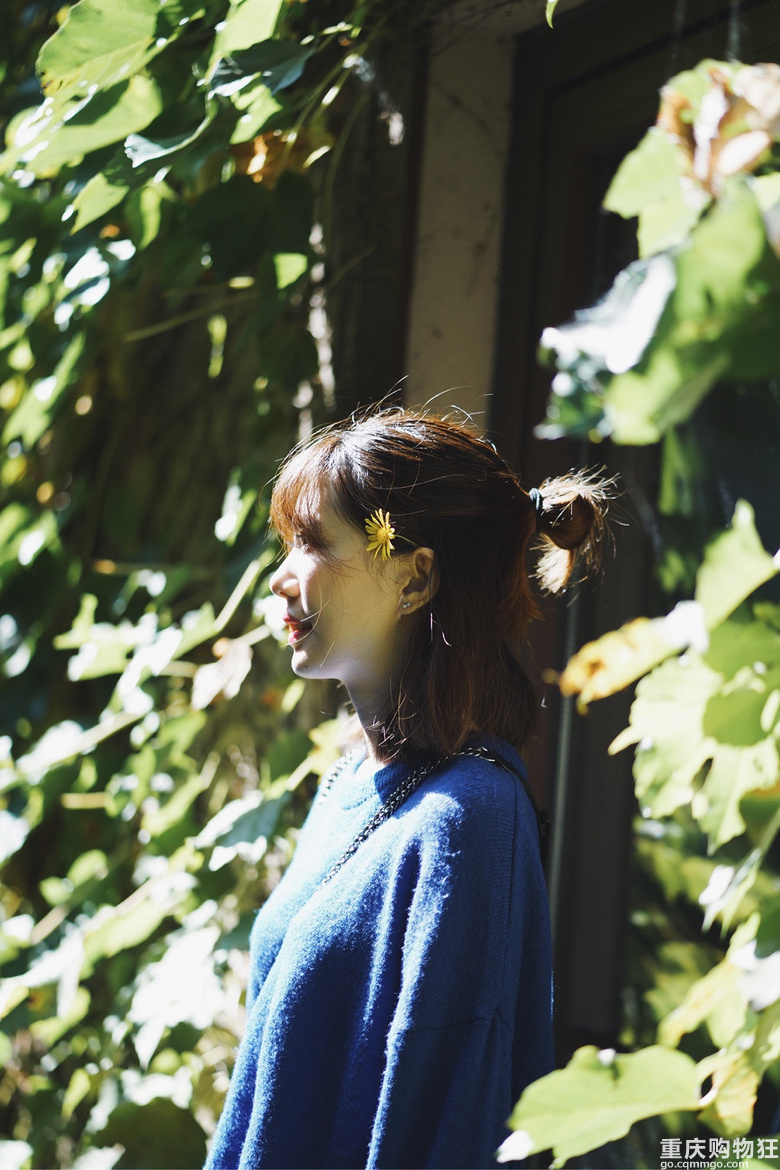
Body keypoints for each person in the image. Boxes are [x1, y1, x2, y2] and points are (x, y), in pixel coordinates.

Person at [205, 408, 610, 1170]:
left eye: (313, 543)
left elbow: (454, 1125)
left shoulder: (471, 820)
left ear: (415, 577)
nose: (281, 578)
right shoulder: (347, 786)